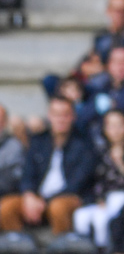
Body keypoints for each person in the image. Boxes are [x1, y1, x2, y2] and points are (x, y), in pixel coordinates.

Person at [0, 97, 97, 236]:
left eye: (65, 114)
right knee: (6, 207)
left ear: (73, 116)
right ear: (49, 116)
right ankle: (19, 251)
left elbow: (76, 184)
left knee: (57, 208)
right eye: (56, 114)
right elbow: (28, 173)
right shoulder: (39, 141)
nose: (61, 119)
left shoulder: (84, 145)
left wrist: (43, 201)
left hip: (69, 197)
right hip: (38, 197)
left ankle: (62, 253)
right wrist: (29, 194)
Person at [74, 109, 124, 246]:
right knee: (80, 216)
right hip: (103, 198)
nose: (116, 130)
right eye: (111, 126)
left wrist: (121, 163)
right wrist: (98, 198)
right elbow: (95, 180)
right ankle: (82, 250)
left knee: (101, 219)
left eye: (120, 125)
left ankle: (104, 252)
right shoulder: (100, 151)